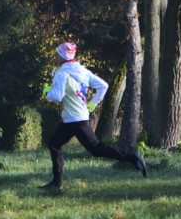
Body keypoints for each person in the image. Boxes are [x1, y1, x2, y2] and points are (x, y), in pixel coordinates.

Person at [41, 42, 147, 190]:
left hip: (75, 119)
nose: (56, 56)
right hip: (76, 117)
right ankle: (56, 183)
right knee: (54, 143)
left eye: (57, 53)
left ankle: (132, 157)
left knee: (96, 148)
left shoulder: (61, 73)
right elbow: (103, 86)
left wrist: (47, 92)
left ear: (62, 55)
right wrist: (93, 103)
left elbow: (58, 96)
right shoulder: (83, 71)